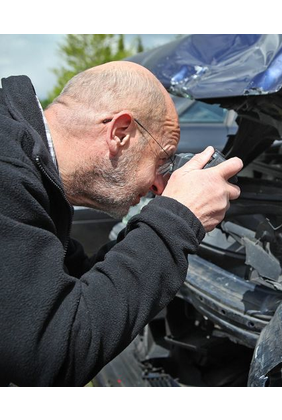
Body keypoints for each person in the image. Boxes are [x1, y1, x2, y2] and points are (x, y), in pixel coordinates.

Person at [0, 61, 243, 387]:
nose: (159, 185)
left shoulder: (26, 163)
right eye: (163, 160)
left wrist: (165, 218)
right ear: (120, 132)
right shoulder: (6, 172)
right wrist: (177, 218)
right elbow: (53, 355)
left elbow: (79, 285)